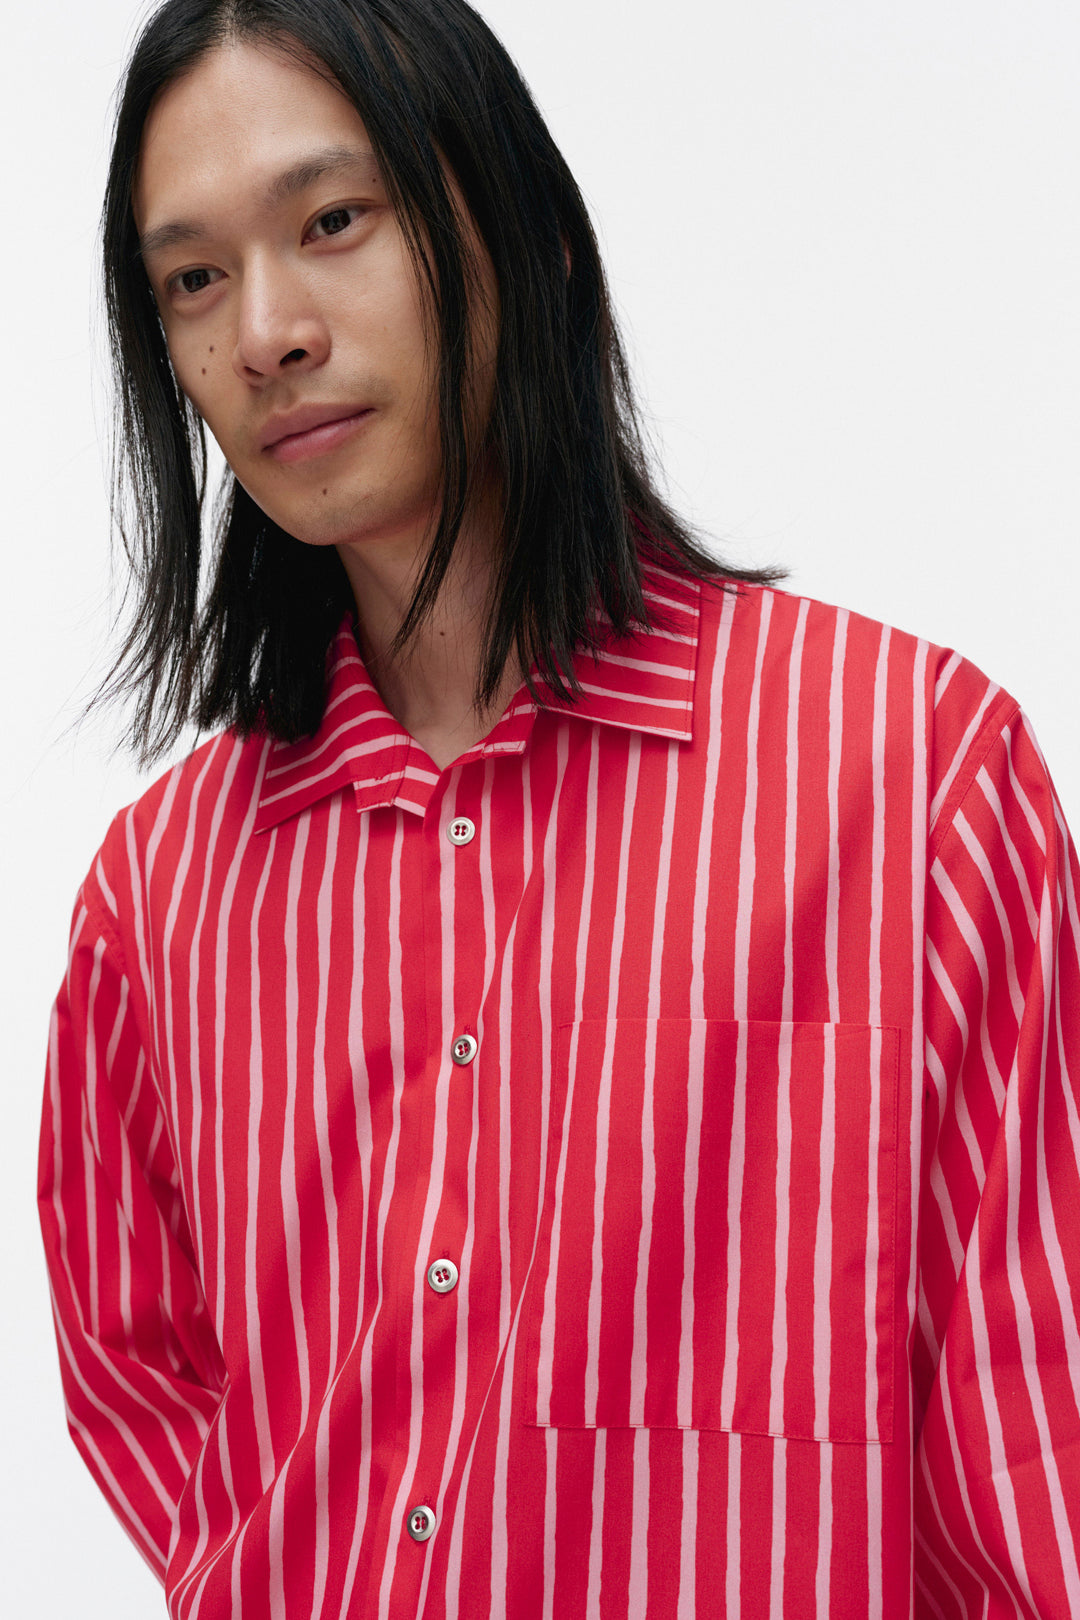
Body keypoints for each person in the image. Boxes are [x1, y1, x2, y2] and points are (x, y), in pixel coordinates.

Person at [36, 0, 1080, 1613]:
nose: (267, 332)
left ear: (527, 238)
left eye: (334, 220)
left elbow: (1035, 1458)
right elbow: (148, 1389)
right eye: (192, 280)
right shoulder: (160, 896)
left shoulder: (915, 779)